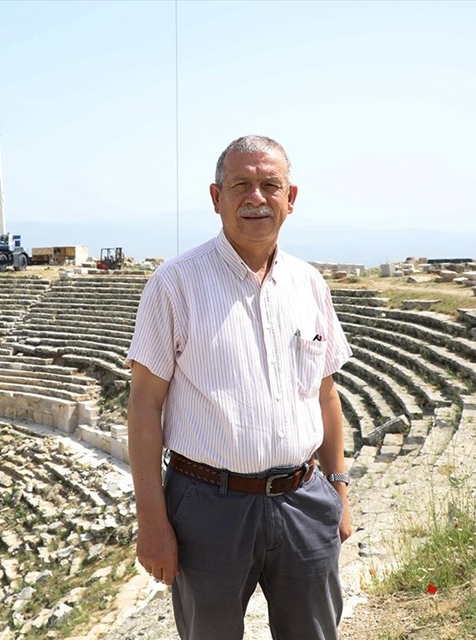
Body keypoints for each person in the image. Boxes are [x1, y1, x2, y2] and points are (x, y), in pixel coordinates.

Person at [126, 135, 354, 640]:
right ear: (216, 198)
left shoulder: (310, 283)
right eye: (241, 185)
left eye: (270, 185)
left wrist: (338, 489)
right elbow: (145, 404)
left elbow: (326, 394)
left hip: (303, 498)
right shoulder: (175, 283)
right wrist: (152, 521)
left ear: (290, 198)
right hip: (207, 506)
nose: (256, 197)